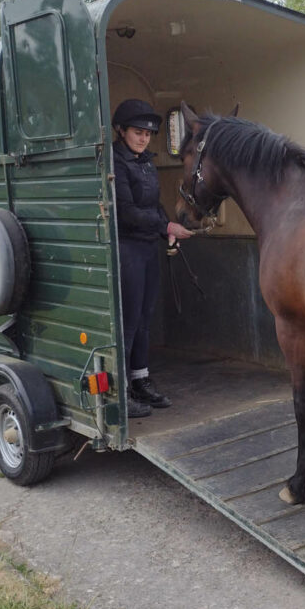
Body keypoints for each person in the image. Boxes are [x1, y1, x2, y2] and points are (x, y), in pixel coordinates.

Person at [112, 98, 194, 417]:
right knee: (129, 321)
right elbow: (127, 211)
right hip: (128, 246)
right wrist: (166, 224)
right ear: (121, 131)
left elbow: (154, 205)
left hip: (147, 246)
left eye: (147, 133)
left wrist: (166, 231)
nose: (144, 138)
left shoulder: (145, 162)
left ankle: (141, 380)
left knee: (145, 318)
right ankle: (120, 391)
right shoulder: (117, 163)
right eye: (137, 132)